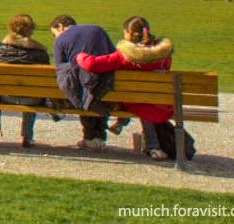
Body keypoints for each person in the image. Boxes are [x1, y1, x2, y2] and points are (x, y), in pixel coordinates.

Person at [74, 15, 194, 162]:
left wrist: (80, 56)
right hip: (162, 103)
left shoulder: (125, 56)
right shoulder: (164, 56)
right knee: (145, 101)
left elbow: (92, 65)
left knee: (136, 100)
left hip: (135, 102)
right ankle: (150, 145)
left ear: (129, 34)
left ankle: (136, 133)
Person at [49, 14, 115, 150]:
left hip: (82, 89)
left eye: (54, 33)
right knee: (90, 87)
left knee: (77, 85)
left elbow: (60, 68)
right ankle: (97, 137)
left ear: (60, 26)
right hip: (107, 87)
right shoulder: (98, 30)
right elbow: (114, 54)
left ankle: (90, 136)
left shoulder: (61, 39)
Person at [0, 13, 52, 148]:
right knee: (32, 90)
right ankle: (27, 136)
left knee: (28, 89)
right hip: (32, 98)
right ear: (31, 30)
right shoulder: (40, 53)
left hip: (5, 95)